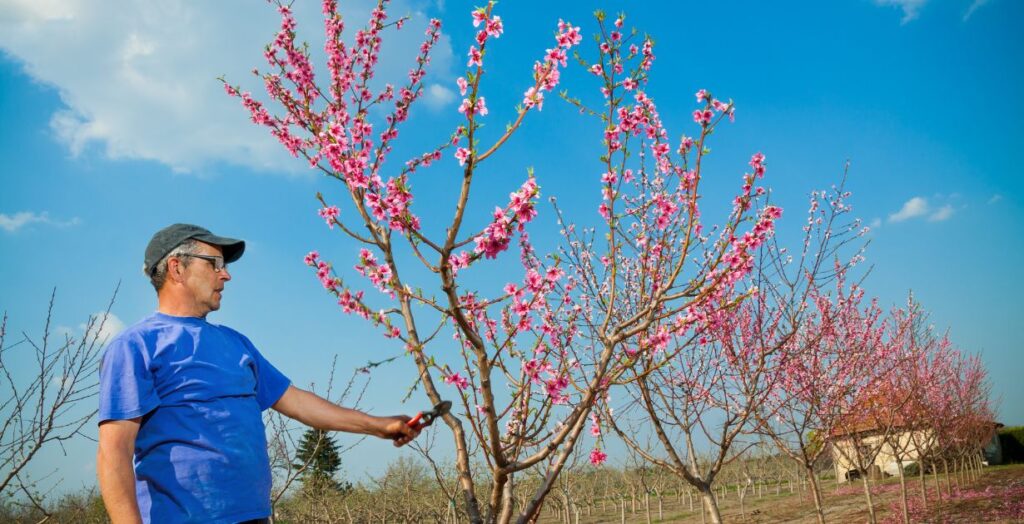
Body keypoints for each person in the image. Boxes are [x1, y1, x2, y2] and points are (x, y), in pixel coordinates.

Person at [96, 224, 420, 524]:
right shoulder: (135, 346)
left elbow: (298, 403)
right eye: (214, 263)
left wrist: (378, 426)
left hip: (253, 517)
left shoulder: (236, 343)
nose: (226, 276)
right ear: (176, 268)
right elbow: (114, 451)